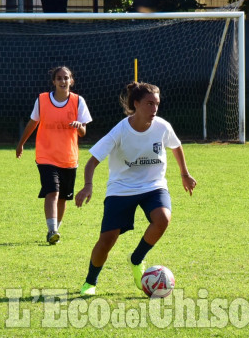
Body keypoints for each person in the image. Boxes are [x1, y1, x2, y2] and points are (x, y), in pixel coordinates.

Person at [75, 81, 196, 295]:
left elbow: (176, 146)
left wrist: (184, 174)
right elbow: (92, 161)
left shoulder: (162, 126)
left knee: (163, 219)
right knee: (107, 240)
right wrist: (87, 186)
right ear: (136, 104)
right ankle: (90, 282)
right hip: (121, 188)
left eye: (157, 104)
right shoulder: (120, 130)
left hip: (153, 185)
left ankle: (136, 259)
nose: (154, 109)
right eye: (149, 104)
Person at [16, 66, 92, 245]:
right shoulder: (42, 100)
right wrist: (21, 143)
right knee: (53, 192)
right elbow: (33, 123)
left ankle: (55, 230)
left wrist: (78, 125)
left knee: (63, 197)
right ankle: (52, 230)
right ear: (54, 81)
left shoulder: (78, 101)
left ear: (71, 80)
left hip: (68, 158)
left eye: (66, 78)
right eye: (59, 78)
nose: (63, 81)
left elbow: (83, 132)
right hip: (46, 156)